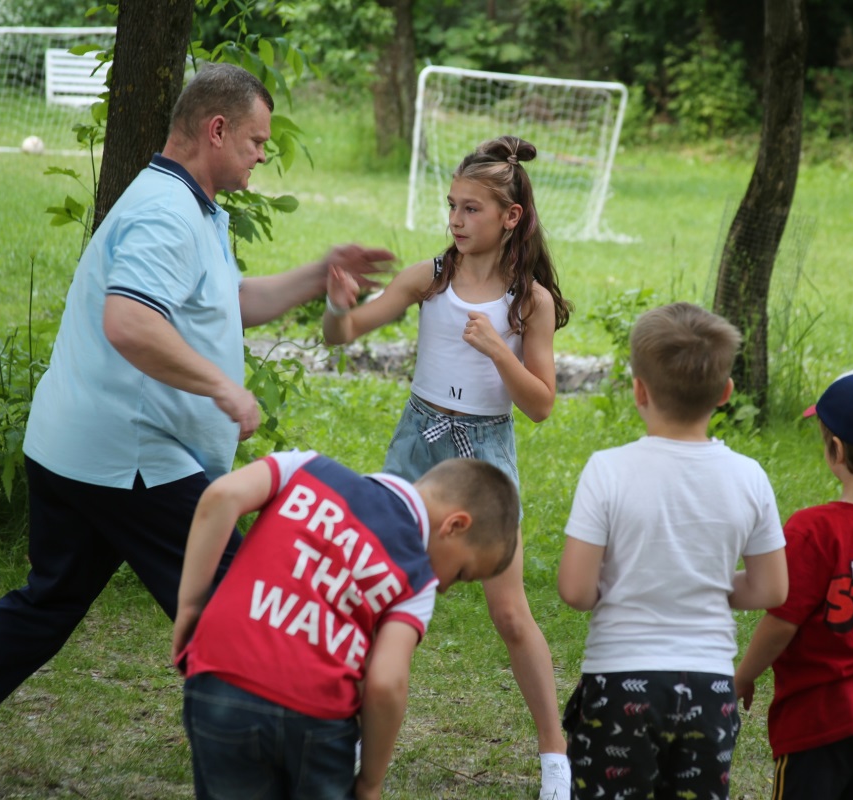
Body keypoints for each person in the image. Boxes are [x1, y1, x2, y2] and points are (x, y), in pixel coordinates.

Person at [0, 63, 391, 785]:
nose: (263, 154)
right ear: (217, 129)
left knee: (46, 605)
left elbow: (224, 301)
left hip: (75, 449)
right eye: (257, 141)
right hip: (136, 460)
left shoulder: (189, 205)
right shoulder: (165, 213)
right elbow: (130, 321)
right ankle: (302, 757)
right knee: (239, 603)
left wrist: (319, 270)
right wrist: (224, 390)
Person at [322, 135, 574, 799]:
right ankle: (349, 737)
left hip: (485, 452)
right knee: (375, 591)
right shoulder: (428, 276)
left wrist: (498, 349)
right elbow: (342, 335)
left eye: (471, 209)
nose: (456, 220)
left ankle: (556, 758)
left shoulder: (530, 302)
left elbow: (542, 404)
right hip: (417, 444)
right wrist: (338, 306)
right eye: (451, 207)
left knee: (510, 611)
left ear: (510, 216)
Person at [173, 451, 519, 800]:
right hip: (317, 716)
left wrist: (189, 608)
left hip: (222, 682)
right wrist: (370, 782)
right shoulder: (417, 578)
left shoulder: (306, 467)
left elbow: (221, 496)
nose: (445, 587)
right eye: (461, 573)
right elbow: (385, 684)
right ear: (455, 525)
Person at [557, 302, 789, 800]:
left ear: (639, 390)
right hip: (709, 689)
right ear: (726, 394)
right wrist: (704, 582)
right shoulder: (750, 477)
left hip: (620, 684)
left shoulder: (607, 470)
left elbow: (576, 590)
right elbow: (772, 587)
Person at [734, 367, 853, 800]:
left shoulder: (814, 530)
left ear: (835, 449)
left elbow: (782, 622)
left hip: (817, 720)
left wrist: (743, 676)